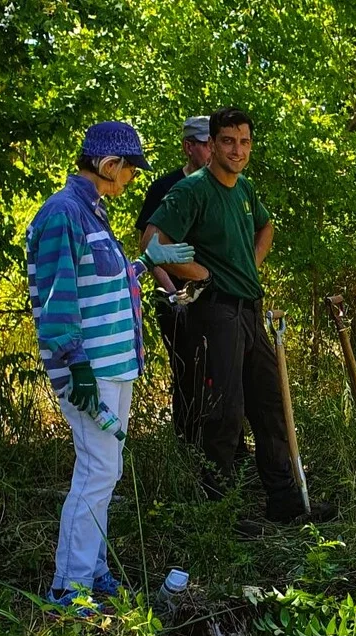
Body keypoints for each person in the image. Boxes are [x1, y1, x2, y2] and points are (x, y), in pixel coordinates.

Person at [27, 121, 195, 613]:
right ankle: (68, 587)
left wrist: (145, 262)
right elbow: (58, 296)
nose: (132, 179)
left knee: (107, 470)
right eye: (129, 170)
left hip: (115, 367)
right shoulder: (63, 213)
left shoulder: (92, 213)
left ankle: (94, 571)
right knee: (96, 470)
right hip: (91, 370)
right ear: (108, 165)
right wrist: (75, 362)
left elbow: (103, 282)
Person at [141, 107, 330, 523]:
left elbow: (266, 227)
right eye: (228, 141)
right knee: (223, 413)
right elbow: (151, 243)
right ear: (211, 144)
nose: (237, 150)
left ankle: (284, 500)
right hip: (214, 312)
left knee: (269, 403)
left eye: (244, 142)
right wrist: (200, 273)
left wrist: (251, 264)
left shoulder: (244, 188)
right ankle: (220, 512)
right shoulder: (192, 190)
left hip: (249, 310)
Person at [134, 116, 210, 438]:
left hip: (214, 297)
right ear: (188, 147)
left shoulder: (223, 187)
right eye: (205, 144)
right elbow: (149, 248)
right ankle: (187, 442)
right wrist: (173, 294)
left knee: (220, 371)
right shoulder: (165, 188)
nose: (212, 151)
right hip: (176, 299)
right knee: (187, 371)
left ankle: (225, 446)